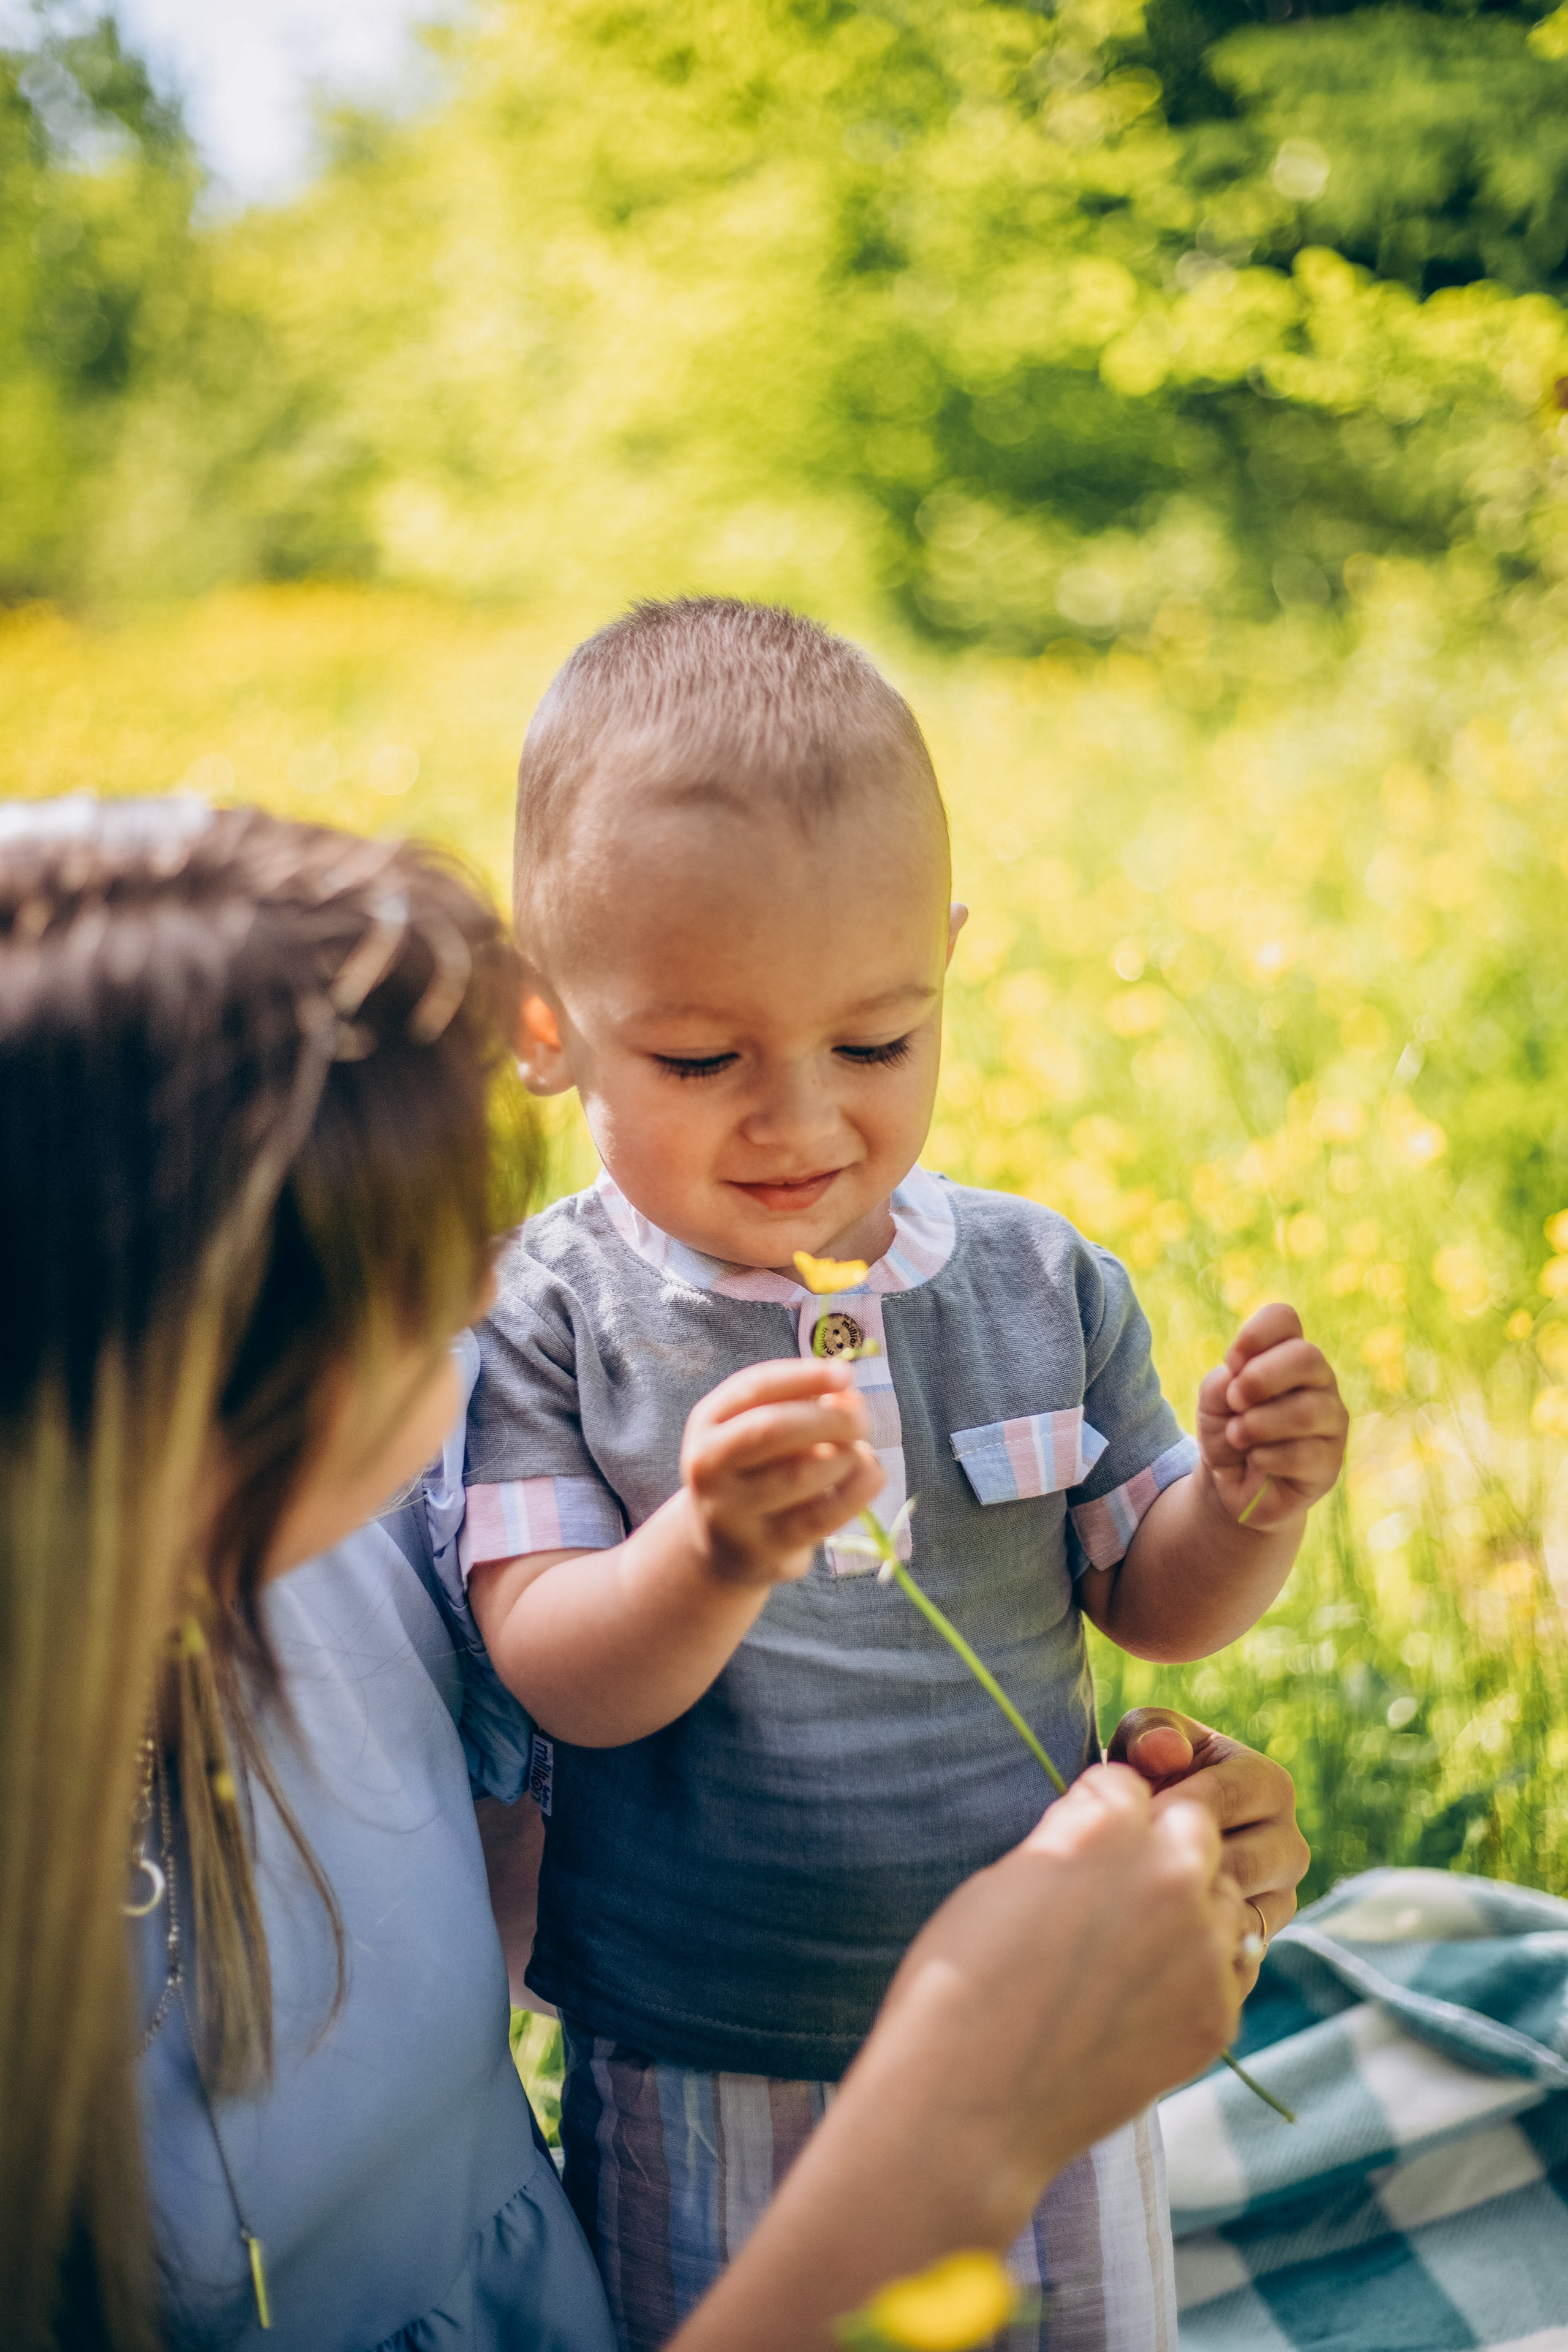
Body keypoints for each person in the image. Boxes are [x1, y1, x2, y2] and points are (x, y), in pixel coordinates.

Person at [0, 796, 1292, 2352]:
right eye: (437, 1264)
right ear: (202, 1396)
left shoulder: (345, 1567)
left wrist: (1128, 1868)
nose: (500, 1277)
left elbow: (565, 1833)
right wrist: (962, 2106)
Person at [459, 598, 1346, 2350]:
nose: (803, 1123)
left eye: (877, 1043)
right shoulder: (552, 1315)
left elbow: (1147, 1602)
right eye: (703, 1062)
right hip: (710, 2032)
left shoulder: (1034, 1283)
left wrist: (1246, 1507)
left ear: (945, 966)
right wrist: (708, 1555)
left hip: (1053, 2021)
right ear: (548, 1027)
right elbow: (550, 1663)